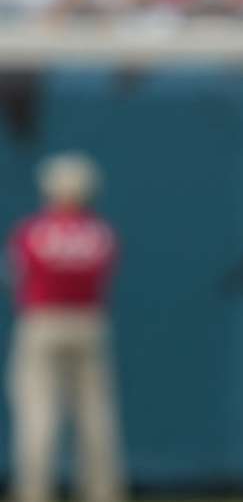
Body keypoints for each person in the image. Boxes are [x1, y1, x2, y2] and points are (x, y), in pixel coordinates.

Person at [6, 153, 125, 502]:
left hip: (42, 322)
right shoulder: (101, 233)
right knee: (96, 414)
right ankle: (103, 490)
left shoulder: (32, 232)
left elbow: (17, 276)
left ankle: (34, 491)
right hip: (90, 323)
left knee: (37, 412)